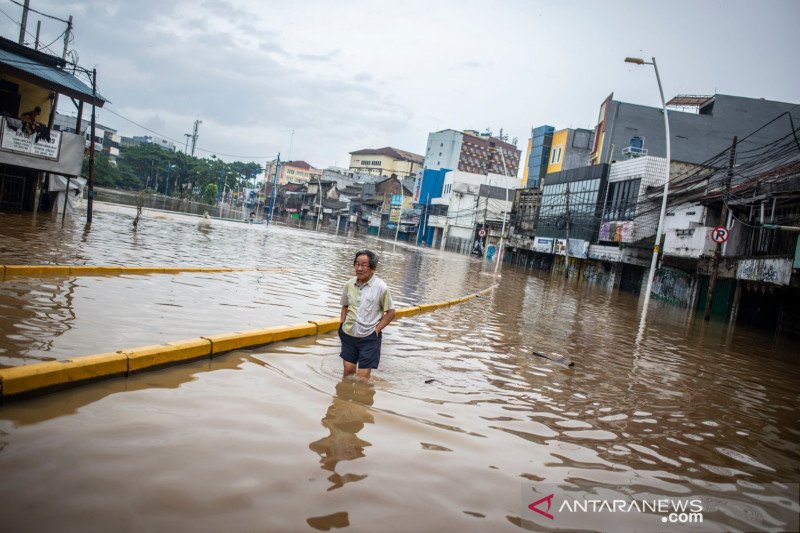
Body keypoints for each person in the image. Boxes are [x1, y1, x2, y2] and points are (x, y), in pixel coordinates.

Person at [338, 249, 395, 380]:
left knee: (362, 379)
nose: (359, 268)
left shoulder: (381, 287)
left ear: (373, 268)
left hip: (369, 337)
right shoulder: (349, 284)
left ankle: (361, 399)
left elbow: (391, 312)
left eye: (364, 265)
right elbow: (345, 305)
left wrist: (377, 330)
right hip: (348, 334)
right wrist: (341, 324)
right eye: (357, 264)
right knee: (347, 373)